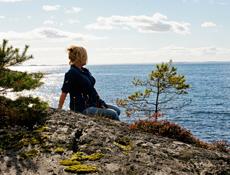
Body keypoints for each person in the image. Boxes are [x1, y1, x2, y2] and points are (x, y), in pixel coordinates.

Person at [58, 45, 120, 120]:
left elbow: (91, 89)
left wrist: (100, 102)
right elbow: (64, 92)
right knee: (113, 114)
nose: (86, 58)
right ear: (80, 57)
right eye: (85, 56)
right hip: (81, 108)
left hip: (92, 103)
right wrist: (59, 110)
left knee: (117, 110)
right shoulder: (71, 73)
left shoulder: (85, 71)